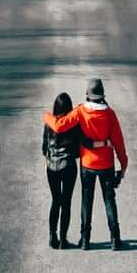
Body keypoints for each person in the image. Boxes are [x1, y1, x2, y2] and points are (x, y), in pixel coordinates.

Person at [74, 77, 129, 251]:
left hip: (87, 164)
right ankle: (115, 238)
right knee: (109, 200)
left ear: (88, 95)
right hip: (106, 164)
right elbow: (119, 142)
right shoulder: (110, 113)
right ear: (102, 95)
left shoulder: (81, 111)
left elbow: (65, 125)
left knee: (86, 200)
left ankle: (85, 240)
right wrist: (123, 166)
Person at [41, 91, 82, 249]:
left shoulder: (49, 124)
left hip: (52, 168)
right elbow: (78, 152)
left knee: (55, 201)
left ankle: (52, 236)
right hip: (68, 167)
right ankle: (63, 239)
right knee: (66, 202)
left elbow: (44, 148)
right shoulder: (73, 125)